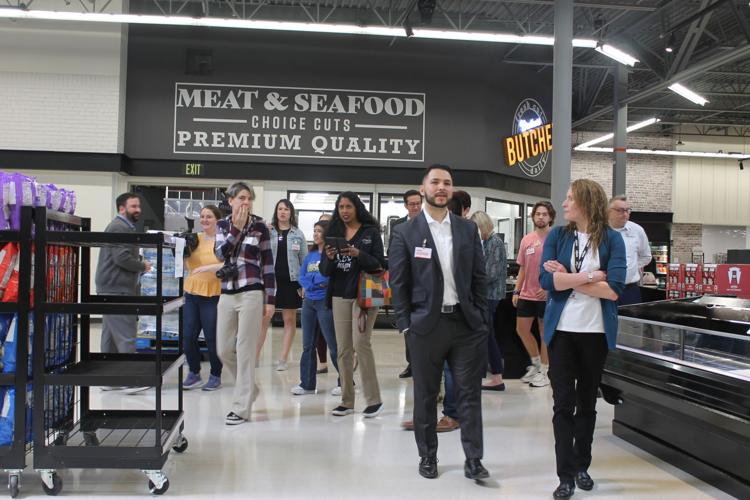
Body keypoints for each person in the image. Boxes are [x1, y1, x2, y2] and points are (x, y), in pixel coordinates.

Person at [389, 164, 490, 481]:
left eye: (447, 182)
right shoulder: (404, 233)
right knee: (426, 395)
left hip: (465, 325)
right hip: (425, 327)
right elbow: (399, 284)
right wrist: (406, 324)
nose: (441, 187)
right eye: (435, 182)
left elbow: (479, 277)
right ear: (423, 189)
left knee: (469, 395)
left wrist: (481, 316)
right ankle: (427, 456)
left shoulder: (466, 229)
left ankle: (474, 459)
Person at [539, 179, 626, 499]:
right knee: (562, 404)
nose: (563, 204)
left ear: (587, 203)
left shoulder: (613, 240)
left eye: (570, 198)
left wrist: (568, 278)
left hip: (595, 334)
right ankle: (564, 475)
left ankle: (582, 466)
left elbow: (614, 289)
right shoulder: (558, 236)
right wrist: (591, 276)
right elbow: (547, 280)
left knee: (587, 403)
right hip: (561, 333)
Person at [320, 192, 385, 418]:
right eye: (341, 207)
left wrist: (358, 253)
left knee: (361, 343)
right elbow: (324, 272)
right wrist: (328, 258)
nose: (344, 211)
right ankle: (347, 401)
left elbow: (380, 264)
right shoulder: (333, 233)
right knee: (343, 349)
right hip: (339, 294)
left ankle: (374, 400)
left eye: (348, 206)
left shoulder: (370, 232)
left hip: (366, 293)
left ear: (357, 208)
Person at [215, 181, 275, 426]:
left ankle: (241, 408)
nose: (245, 202)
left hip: (252, 292)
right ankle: (249, 388)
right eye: (241, 198)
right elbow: (220, 254)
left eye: (249, 198)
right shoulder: (223, 225)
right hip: (227, 292)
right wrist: (236, 229)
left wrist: (270, 299)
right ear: (230, 201)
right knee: (223, 349)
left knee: (246, 350)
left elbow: (268, 265)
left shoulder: (261, 227)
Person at [95, 193, 152, 355]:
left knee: (111, 337)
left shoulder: (124, 226)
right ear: (121, 209)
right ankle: (129, 378)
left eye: (138, 206)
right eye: (133, 206)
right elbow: (121, 258)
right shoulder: (119, 227)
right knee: (126, 336)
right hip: (117, 289)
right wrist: (142, 265)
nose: (138, 210)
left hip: (111, 288)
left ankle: (108, 372)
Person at [258, 199, 308, 371]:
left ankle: (283, 359)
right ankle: (255, 357)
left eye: (286, 209)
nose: (283, 212)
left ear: (291, 213)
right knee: (264, 319)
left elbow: (304, 261)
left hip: (291, 282)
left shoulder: (298, 234)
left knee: (289, 320)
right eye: (280, 209)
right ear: (276, 211)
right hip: (270, 282)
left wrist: (304, 285)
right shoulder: (268, 230)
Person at [292, 220, 340, 396]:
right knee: (307, 345)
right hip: (308, 303)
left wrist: (313, 283)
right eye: (314, 230)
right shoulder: (310, 255)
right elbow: (301, 275)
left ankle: (345, 382)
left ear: (326, 234)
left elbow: (327, 278)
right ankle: (307, 383)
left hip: (324, 302)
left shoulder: (330, 255)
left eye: (319, 231)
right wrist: (311, 284)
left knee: (333, 344)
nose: (315, 234)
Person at [513, 201, 556, 388]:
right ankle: (536, 363)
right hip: (526, 294)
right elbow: (522, 267)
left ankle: (545, 371)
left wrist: (549, 288)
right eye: (538, 214)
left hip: (546, 295)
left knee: (544, 333)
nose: (541, 217)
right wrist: (517, 289)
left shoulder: (555, 239)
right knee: (521, 330)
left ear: (550, 217)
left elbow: (560, 268)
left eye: (544, 214)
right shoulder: (526, 239)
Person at [182, 205, 224, 391]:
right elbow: (185, 265)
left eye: (209, 216)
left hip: (213, 295)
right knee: (188, 336)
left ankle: (215, 374)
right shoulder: (194, 239)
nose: (205, 220)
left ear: (217, 220)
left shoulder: (222, 241)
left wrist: (207, 268)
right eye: (202, 216)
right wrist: (182, 250)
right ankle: (194, 372)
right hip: (192, 293)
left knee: (212, 338)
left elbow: (228, 264)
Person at [389, 189, 423, 379]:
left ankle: (425, 364)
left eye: (418, 203)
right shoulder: (399, 226)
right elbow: (393, 253)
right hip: (405, 284)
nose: (416, 207)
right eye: (412, 204)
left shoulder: (429, 223)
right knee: (407, 327)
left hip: (425, 283)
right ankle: (412, 364)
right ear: (406, 206)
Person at [471, 211, 507, 391]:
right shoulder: (487, 242)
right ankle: (495, 375)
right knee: (486, 335)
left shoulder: (495, 243)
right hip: (486, 295)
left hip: (490, 296)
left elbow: (491, 274)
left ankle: (496, 376)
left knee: (487, 335)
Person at [608, 195, 652, 305]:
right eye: (620, 210)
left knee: (631, 321)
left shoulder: (637, 230)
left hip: (629, 289)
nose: (625, 214)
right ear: (608, 211)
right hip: (605, 287)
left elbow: (646, 256)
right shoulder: (600, 231)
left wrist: (631, 267)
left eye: (628, 210)